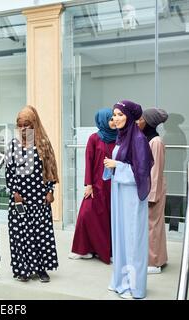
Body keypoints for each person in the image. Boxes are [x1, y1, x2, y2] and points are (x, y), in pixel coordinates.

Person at [103, 100, 154, 299]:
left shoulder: (139, 139)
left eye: (120, 114)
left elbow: (142, 172)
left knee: (133, 239)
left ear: (130, 117)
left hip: (132, 197)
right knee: (121, 237)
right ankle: (120, 280)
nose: (115, 118)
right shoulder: (122, 137)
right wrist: (112, 165)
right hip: (120, 193)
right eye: (114, 114)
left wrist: (118, 165)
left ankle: (134, 287)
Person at [5, 105, 59, 282]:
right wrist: (15, 192)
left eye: (27, 125)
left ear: (34, 124)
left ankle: (41, 269)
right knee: (20, 234)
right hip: (19, 199)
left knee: (40, 233)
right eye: (20, 125)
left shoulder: (43, 143)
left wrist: (50, 190)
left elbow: (50, 169)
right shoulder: (12, 145)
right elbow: (9, 171)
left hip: (39, 197)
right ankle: (23, 270)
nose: (23, 129)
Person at [69, 108, 117, 264]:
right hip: (96, 185)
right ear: (103, 121)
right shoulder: (94, 138)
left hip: (114, 186)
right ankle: (83, 249)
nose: (114, 121)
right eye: (110, 119)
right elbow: (88, 162)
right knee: (86, 214)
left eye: (114, 118)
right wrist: (88, 184)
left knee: (108, 219)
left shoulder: (120, 138)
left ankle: (107, 250)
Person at [138, 108, 169, 274]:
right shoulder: (147, 138)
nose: (138, 122)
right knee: (150, 225)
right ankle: (155, 258)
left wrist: (151, 195)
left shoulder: (156, 142)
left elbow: (156, 171)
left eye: (141, 119)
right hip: (147, 188)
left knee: (153, 226)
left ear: (149, 122)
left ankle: (154, 263)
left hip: (153, 190)